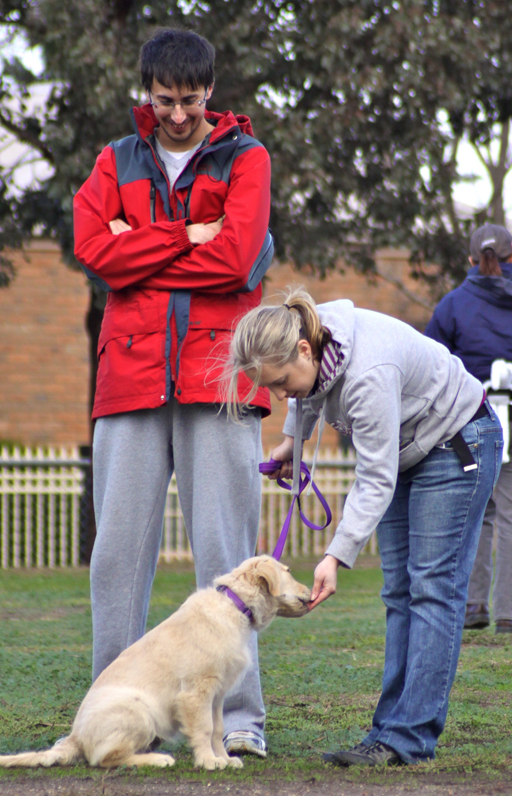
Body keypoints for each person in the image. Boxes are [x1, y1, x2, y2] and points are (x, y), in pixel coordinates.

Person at [73, 28, 274, 758]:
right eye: (165, 101)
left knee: (230, 556)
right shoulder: (114, 160)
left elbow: (240, 258)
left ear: (210, 92)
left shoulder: (248, 158)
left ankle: (241, 721)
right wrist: (190, 232)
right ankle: (109, 711)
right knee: (117, 553)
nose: (179, 115)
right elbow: (96, 251)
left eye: (191, 101)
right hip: (127, 376)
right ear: (146, 93)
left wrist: (144, 245)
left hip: (219, 375)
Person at [225, 286, 502, 766]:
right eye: (271, 386)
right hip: (407, 448)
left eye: (281, 379)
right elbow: (307, 395)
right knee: (399, 592)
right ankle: (387, 731)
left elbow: (374, 477)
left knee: (433, 588)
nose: (280, 393)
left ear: (305, 350)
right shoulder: (313, 338)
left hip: (458, 442)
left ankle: (407, 740)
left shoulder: (367, 373)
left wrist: (335, 555)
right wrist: (293, 443)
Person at [425, 223, 512, 634]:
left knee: (479, 512)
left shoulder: (453, 304)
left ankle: (473, 604)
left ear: (471, 260)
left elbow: (432, 364)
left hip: (471, 420)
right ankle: (509, 612)